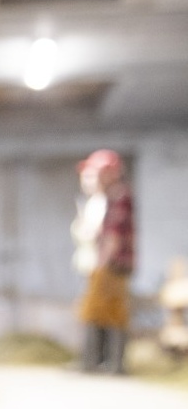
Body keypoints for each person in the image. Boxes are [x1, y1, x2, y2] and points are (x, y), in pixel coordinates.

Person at [75, 149, 134, 374]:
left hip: (112, 264)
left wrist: (102, 263)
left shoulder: (119, 196)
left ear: (110, 173)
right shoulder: (108, 197)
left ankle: (104, 364)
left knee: (103, 311)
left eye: (97, 173)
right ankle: (102, 363)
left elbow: (114, 236)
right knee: (104, 310)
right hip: (109, 262)